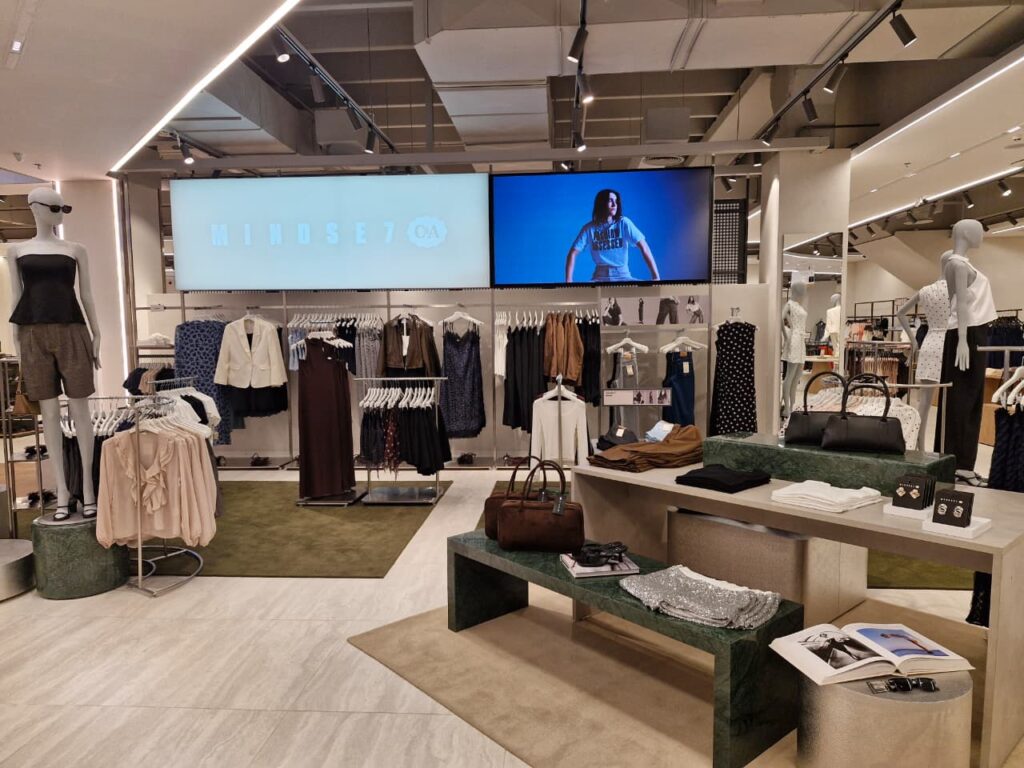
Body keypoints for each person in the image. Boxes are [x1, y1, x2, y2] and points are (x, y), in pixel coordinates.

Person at [565, 189, 659, 283]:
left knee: (646, 290)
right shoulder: (589, 228)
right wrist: (568, 281)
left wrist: (656, 277)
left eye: (616, 201)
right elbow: (573, 253)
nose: (614, 205)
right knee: (581, 292)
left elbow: (644, 247)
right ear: (601, 203)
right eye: (610, 200)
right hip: (599, 278)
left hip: (623, 276)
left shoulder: (624, 223)